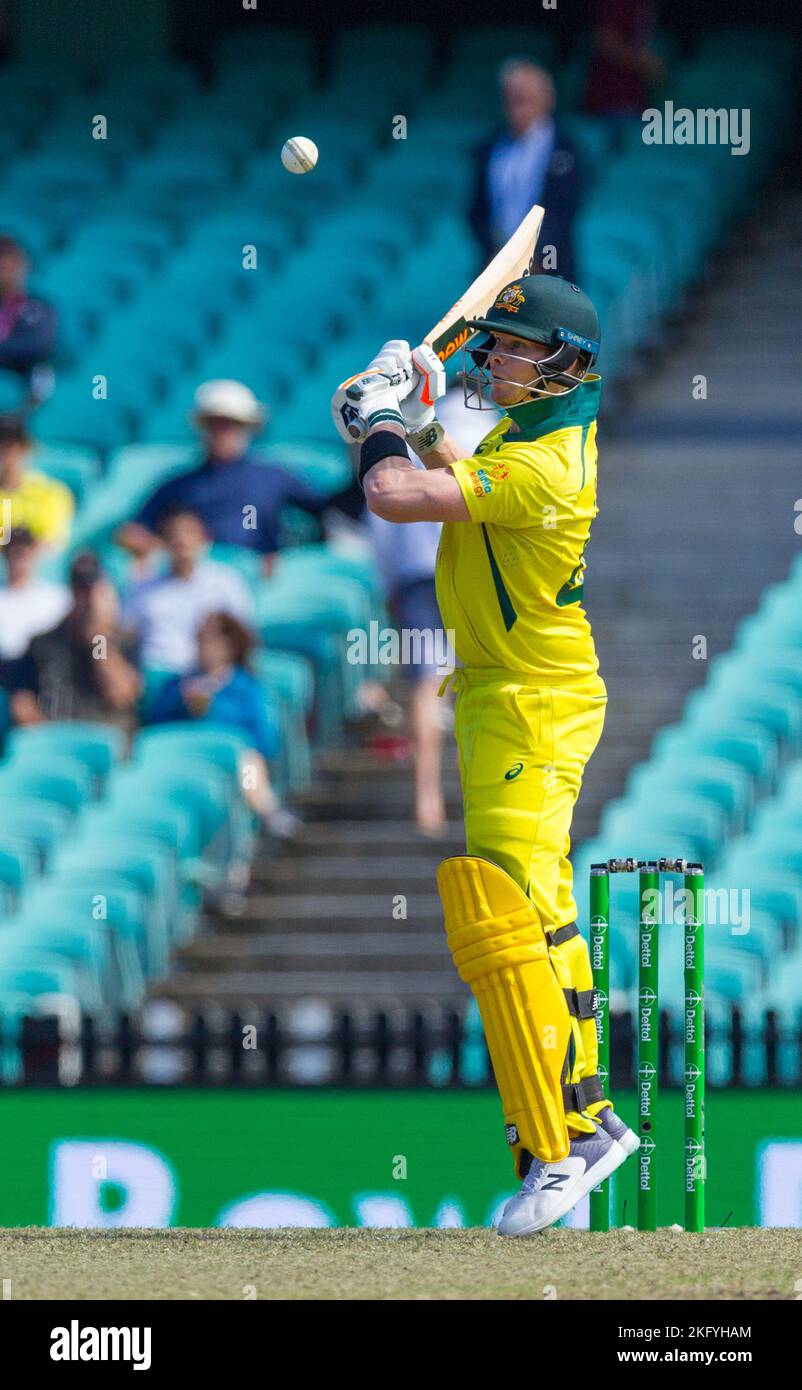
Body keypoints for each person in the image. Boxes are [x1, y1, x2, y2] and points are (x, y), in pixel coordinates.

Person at [332, 275, 637, 1236]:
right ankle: (586, 1123)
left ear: (565, 365)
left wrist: (381, 419)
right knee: (539, 915)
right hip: (507, 694)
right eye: (494, 342)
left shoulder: (548, 466)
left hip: (531, 704)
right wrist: (417, 414)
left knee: (497, 914)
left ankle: (563, 1145)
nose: (491, 357)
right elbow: (433, 477)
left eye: (510, 346)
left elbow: (392, 496)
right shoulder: (530, 437)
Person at [117, 379, 330, 572]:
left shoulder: (274, 477)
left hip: (256, 576)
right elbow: (131, 532)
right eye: (214, 424)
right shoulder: (179, 485)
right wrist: (162, 547)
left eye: (230, 424)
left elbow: (329, 514)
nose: (221, 432)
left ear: (248, 428)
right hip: (195, 575)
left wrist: (288, 555)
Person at [148, 611, 299, 839]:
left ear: (230, 645)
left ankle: (268, 810)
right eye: (200, 638)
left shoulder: (247, 687)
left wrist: (213, 711)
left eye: (212, 639)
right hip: (185, 762)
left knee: (249, 762)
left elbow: (264, 738)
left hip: (234, 766)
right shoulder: (177, 686)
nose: (204, 646)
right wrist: (185, 706)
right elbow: (154, 731)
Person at [469, 62, 581, 282]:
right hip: (497, 266)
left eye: (525, 99)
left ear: (547, 99)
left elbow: (564, 209)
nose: (517, 107)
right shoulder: (490, 146)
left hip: (549, 269)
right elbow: (477, 208)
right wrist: (493, 251)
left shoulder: (566, 148)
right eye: (512, 99)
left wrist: (536, 256)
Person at [5, 550, 140, 729]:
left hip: (107, 740)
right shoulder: (43, 643)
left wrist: (98, 638)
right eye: (80, 588)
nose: (86, 597)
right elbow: (22, 703)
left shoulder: (124, 639)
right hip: (56, 740)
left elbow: (121, 695)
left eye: (91, 588)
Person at [121, 507, 253, 677]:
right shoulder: (143, 588)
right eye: (173, 534)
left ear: (204, 538)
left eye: (188, 532)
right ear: (163, 542)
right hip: (158, 680)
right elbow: (122, 636)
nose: (181, 539)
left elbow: (244, 640)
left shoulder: (228, 583)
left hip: (213, 679)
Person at [583, 0, 665, 132]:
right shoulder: (619, 3)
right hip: (610, 103)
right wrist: (647, 65)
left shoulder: (644, 6)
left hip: (635, 103)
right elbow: (605, 41)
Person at [0, 413, 74, 550]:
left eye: (8, 446)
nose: (2, 454)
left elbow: (52, 549)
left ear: (26, 448)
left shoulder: (53, 494)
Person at [0, 527, 71, 669]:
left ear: (34, 551)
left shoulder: (59, 599)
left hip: (47, 676)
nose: (19, 553)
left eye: (25, 548)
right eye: (12, 549)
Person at [0, 235, 57, 405]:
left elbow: (38, 346)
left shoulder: (39, 307)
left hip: (23, 373)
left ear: (23, 264)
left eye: (7, 259)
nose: (3, 266)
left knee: (43, 375)